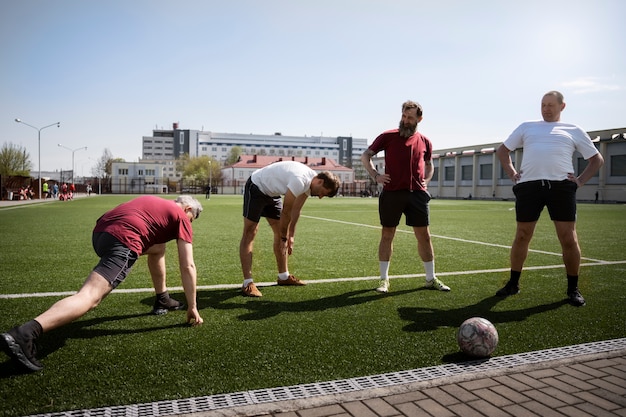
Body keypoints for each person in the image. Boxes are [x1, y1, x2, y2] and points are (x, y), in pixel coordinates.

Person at [0, 195, 205, 372]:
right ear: (187, 209)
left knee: (158, 248)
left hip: (101, 233)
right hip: (124, 238)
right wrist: (193, 307)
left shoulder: (156, 203)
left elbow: (153, 241)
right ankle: (25, 334)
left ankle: (162, 299)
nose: (189, 224)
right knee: (90, 296)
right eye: (192, 219)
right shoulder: (181, 217)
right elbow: (188, 266)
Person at [495, 90, 604, 307]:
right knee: (522, 235)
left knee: (568, 238)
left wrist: (580, 181)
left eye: (550, 105)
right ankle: (513, 284)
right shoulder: (527, 126)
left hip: (561, 188)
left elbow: (597, 160)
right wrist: (512, 173)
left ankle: (573, 289)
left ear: (562, 107)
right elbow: (502, 151)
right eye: (543, 105)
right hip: (529, 187)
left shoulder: (574, 130)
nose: (546, 109)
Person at [361, 100, 450, 294]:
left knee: (424, 237)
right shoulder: (388, 136)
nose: (406, 120)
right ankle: (384, 280)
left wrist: (427, 179)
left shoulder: (425, 141)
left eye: (410, 117)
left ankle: (430, 278)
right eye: (403, 116)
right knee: (387, 235)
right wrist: (376, 176)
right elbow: (366, 155)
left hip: (417, 195)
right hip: (392, 194)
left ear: (419, 119)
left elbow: (429, 164)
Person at [239, 160, 341, 297]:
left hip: (272, 194)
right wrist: (283, 237)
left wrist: (290, 235)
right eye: (323, 193)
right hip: (257, 186)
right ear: (320, 182)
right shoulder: (300, 180)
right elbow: (286, 212)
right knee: (250, 232)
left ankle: (283, 276)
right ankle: (248, 283)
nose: (321, 197)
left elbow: (296, 210)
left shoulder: (310, 184)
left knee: (281, 231)